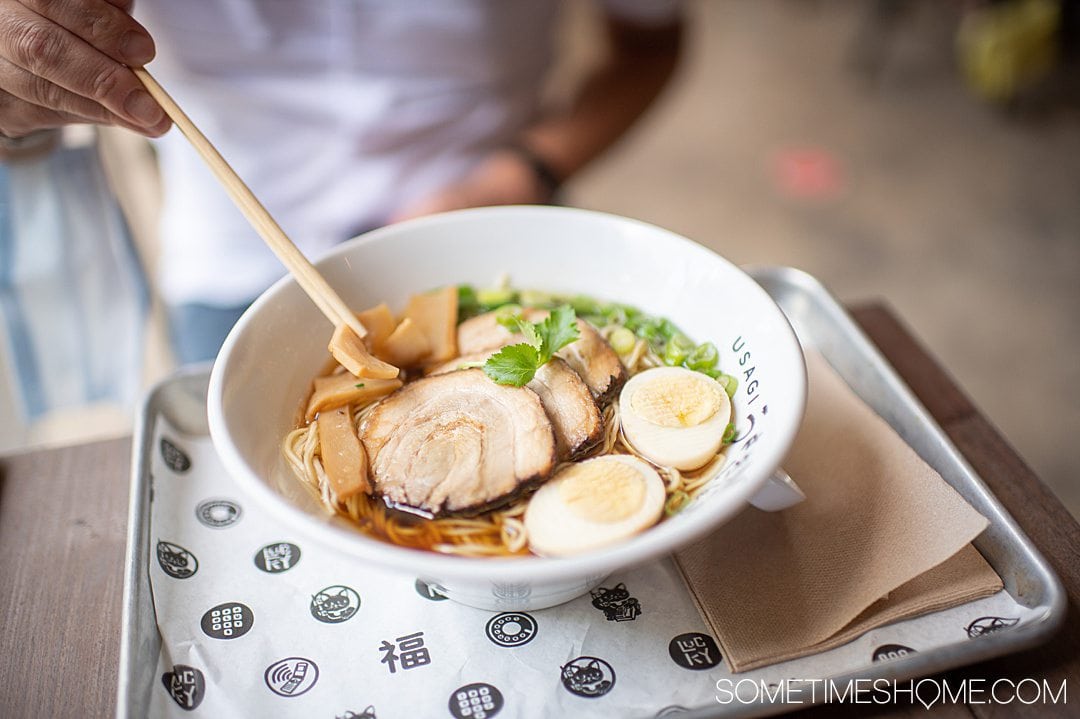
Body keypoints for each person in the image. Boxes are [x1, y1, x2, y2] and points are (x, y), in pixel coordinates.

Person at [0, 0, 683, 363]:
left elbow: (651, 41)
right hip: (238, 250)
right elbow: (28, 130)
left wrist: (521, 172)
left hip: (497, 213)